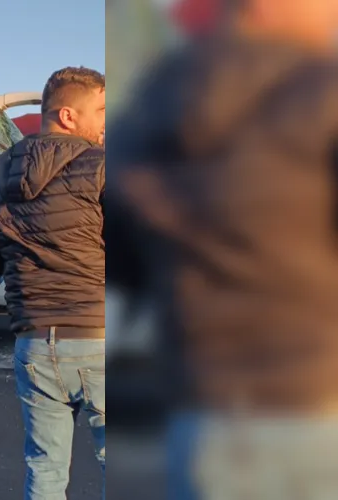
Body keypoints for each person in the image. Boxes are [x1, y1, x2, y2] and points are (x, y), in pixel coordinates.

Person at [106, 0, 338, 498]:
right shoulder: (323, 90)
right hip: (318, 400)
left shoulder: (156, 97)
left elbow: (121, 259)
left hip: (210, 411)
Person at [0, 67, 106, 500]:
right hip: (98, 337)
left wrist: (21, 251)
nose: (105, 123)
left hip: (34, 343)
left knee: (45, 469)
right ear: (67, 116)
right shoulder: (99, 167)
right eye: (100, 111)